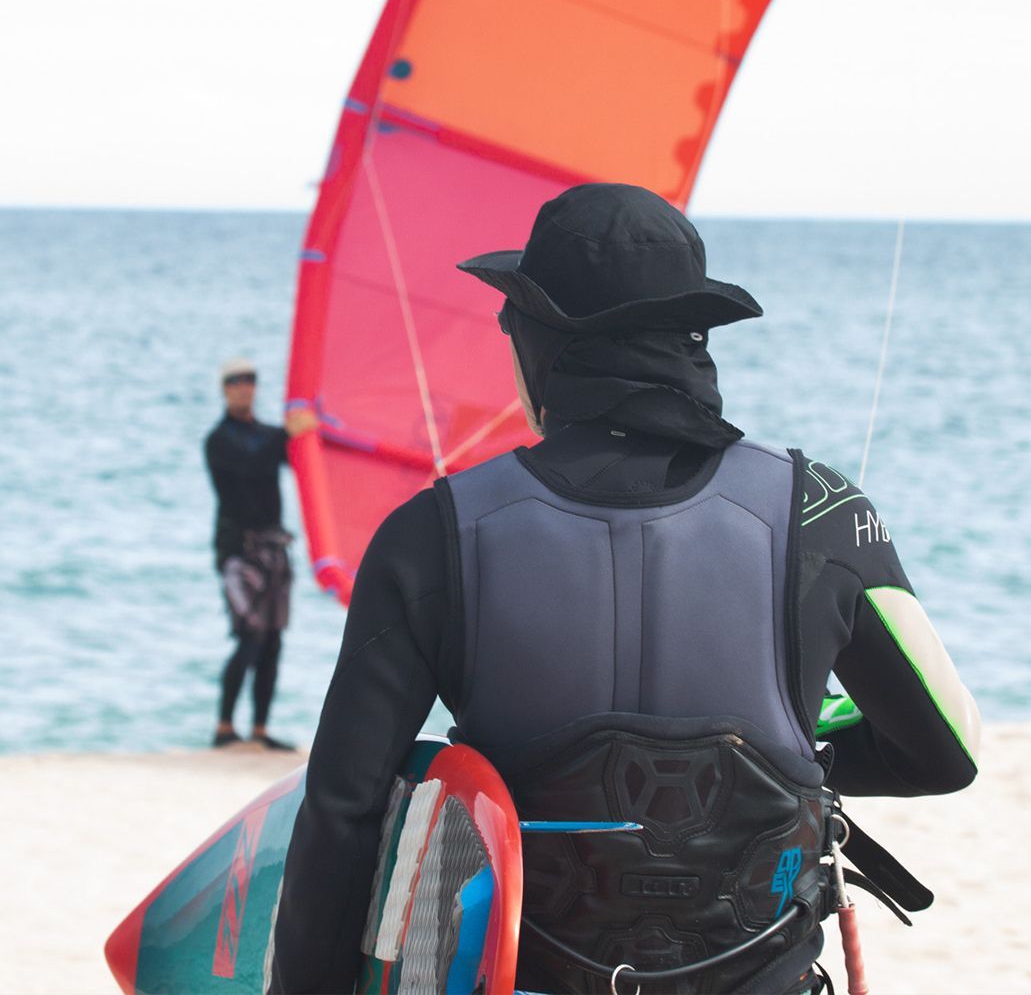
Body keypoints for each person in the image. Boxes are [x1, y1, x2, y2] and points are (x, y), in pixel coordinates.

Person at [270, 185, 981, 993]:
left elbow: (343, 811)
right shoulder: (821, 509)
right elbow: (945, 751)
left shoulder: (432, 534)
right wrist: (788, 762)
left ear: (541, 347)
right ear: (691, 341)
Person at [204, 357, 316, 750]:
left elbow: (300, 459)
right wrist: (288, 433)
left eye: (250, 380)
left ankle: (260, 730)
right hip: (238, 554)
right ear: (225, 389)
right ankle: (223, 728)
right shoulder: (219, 440)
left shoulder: (269, 435)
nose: (244, 386)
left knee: (272, 641)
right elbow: (252, 463)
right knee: (249, 636)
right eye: (235, 381)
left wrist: (312, 433)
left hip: (274, 552)